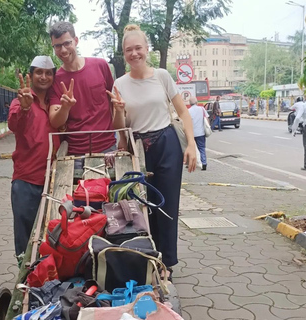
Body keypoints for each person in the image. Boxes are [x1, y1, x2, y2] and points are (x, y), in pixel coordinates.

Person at [108, 24, 197, 281]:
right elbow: (121, 127)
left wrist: (190, 144)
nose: (134, 54)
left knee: (166, 205)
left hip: (166, 143)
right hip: (138, 149)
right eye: (128, 50)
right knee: (139, 206)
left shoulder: (161, 76)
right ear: (123, 54)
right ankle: (146, 256)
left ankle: (166, 263)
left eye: (138, 48)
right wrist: (118, 110)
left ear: (147, 49)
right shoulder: (119, 83)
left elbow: (182, 112)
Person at [8, 56, 60, 263]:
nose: (44, 77)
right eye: (39, 72)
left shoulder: (56, 105)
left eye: (48, 73)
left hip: (55, 180)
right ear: (30, 76)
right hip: (27, 180)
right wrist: (25, 108)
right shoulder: (19, 101)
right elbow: (14, 124)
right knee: (26, 235)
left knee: (53, 232)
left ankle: (49, 276)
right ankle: (25, 279)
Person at [48, 21, 116, 164]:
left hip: (108, 148)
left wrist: (121, 136)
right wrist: (65, 107)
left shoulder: (100, 66)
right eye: (58, 46)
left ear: (76, 41)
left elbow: (114, 104)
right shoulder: (56, 80)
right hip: (75, 154)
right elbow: (54, 121)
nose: (63, 50)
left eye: (67, 43)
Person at [188, 97, 208, 171]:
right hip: (201, 132)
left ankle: (191, 163)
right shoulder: (202, 109)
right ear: (197, 102)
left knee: (192, 149)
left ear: (190, 103)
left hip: (192, 133)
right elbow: (206, 118)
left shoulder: (188, 111)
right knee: (202, 148)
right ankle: (204, 163)